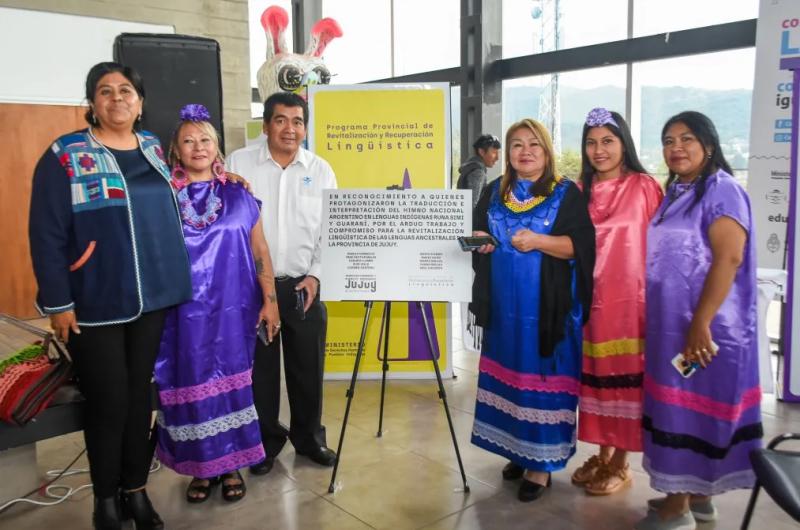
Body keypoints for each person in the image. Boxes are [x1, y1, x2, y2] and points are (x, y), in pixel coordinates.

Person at [28, 62, 192, 530]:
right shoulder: (65, 153)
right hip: (94, 299)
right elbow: (45, 232)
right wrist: (58, 302)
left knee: (140, 397)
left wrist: (232, 180)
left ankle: (135, 490)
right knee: (108, 401)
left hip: (154, 295)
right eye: (105, 91)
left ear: (139, 102)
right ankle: (105, 500)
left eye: (126, 90)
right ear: (91, 103)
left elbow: (190, 187)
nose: (117, 98)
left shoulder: (155, 148)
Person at [635, 111, 762, 530]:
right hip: (673, 324)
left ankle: (677, 508)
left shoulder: (723, 190)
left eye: (687, 139)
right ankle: (697, 497)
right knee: (682, 411)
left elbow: (729, 257)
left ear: (708, 144)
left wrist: (700, 323)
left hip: (707, 329)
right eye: (668, 140)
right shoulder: (679, 190)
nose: (676, 147)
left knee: (689, 415)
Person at [153, 104, 280, 504]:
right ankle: (199, 468)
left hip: (233, 313)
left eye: (205, 139)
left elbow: (260, 250)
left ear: (217, 147)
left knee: (231, 387)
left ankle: (231, 465)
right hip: (180, 318)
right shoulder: (162, 198)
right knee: (187, 386)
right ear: (175, 151)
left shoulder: (239, 193)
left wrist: (270, 301)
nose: (197, 147)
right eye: (188, 141)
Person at [468, 118, 595, 502]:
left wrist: (540, 241)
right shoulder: (494, 191)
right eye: (517, 145)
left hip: (547, 311)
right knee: (511, 378)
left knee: (539, 380)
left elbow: (582, 247)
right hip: (503, 310)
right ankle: (516, 452)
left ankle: (540, 467)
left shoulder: (565, 193)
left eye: (533, 145)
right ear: (507, 153)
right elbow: (479, 235)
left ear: (547, 152)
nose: (525, 152)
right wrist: (482, 243)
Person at [227, 92, 338, 475]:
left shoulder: (321, 169)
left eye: (297, 121)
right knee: (262, 373)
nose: (290, 128)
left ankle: (309, 440)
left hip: (303, 287)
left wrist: (316, 274)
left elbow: (330, 229)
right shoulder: (239, 164)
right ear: (266, 124)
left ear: (305, 128)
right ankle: (265, 444)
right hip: (255, 290)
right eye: (281, 120)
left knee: (308, 370)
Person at [571, 108, 663, 495]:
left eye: (607, 141)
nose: (599, 150)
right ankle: (603, 454)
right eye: (591, 142)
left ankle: (622, 463)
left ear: (623, 142)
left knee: (627, 384)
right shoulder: (579, 189)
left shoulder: (644, 186)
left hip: (632, 305)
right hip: (590, 303)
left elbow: (663, 246)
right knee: (596, 383)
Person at [457, 133, 501, 208]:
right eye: (494, 152)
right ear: (482, 152)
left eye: (498, 153)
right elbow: (472, 205)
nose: (497, 158)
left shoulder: (471, 168)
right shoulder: (478, 172)